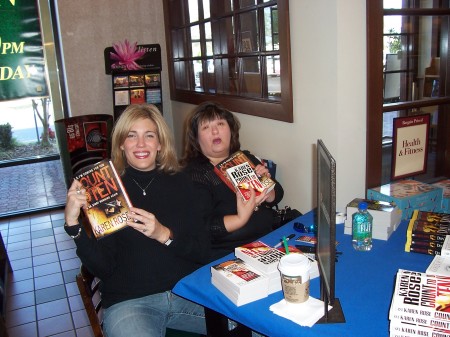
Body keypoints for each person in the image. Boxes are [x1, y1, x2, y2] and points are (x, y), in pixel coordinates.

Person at [64, 104, 209, 337]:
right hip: (131, 303)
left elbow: (202, 251)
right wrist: (73, 225)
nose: (141, 144)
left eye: (149, 135)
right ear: (121, 143)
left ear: (160, 143)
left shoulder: (182, 182)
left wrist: (164, 234)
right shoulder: (106, 189)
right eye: (132, 136)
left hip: (187, 293)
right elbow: (104, 267)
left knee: (255, 326)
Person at [181, 101, 284, 262]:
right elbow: (203, 227)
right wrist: (240, 219)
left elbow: (277, 196)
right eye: (206, 127)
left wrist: (266, 186)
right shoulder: (195, 175)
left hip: (267, 241)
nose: (215, 131)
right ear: (196, 138)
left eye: (220, 124)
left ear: (231, 130)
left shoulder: (243, 158)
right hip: (228, 254)